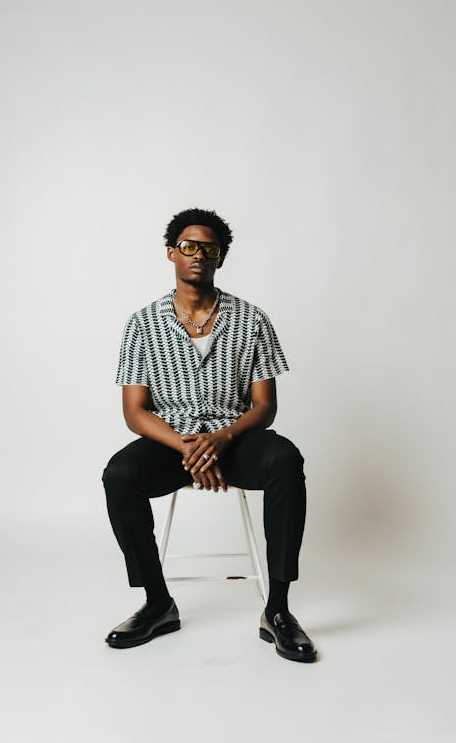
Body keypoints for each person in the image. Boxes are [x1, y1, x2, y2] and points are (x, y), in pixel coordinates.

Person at [101, 207, 317, 662]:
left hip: (235, 440)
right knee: (119, 474)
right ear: (171, 253)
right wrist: (188, 447)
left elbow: (264, 406)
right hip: (172, 444)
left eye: (209, 249)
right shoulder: (142, 323)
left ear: (220, 258)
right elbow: (135, 413)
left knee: (285, 460)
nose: (198, 255)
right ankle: (157, 603)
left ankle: (277, 610)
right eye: (188, 246)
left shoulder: (252, 319)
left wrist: (221, 439)